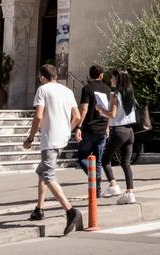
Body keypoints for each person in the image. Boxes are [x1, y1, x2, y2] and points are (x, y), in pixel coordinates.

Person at [22, 64, 84, 234]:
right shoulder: (67, 91)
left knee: (49, 175)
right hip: (63, 138)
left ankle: (71, 211)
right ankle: (39, 209)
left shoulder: (43, 90)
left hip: (50, 139)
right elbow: (77, 116)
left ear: (42, 77)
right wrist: (67, 129)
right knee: (43, 171)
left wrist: (30, 137)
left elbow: (38, 115)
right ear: (55, 76)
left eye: (39, 77)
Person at [101, 70, 137, 204]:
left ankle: (113, 185)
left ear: (118, 80)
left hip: (119, 130)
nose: (110, 80)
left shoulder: (116, 94)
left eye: (113, 78)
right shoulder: (130, 95)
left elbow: (112, 114)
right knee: (125, 163)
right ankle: (130, 193)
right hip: (130, 131)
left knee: (105, 159)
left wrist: (100, 108)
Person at [77, 64, 114, 197]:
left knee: (82, 157)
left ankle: (94, 178)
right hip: (102, 128)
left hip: (89, 128)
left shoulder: (87, 88)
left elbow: (84, 108)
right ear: (102, 75)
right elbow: (109, 110)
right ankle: (97, 188)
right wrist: (107, 126)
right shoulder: (107, 89)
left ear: (90, 75)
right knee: (98, 160)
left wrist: (79, 126)